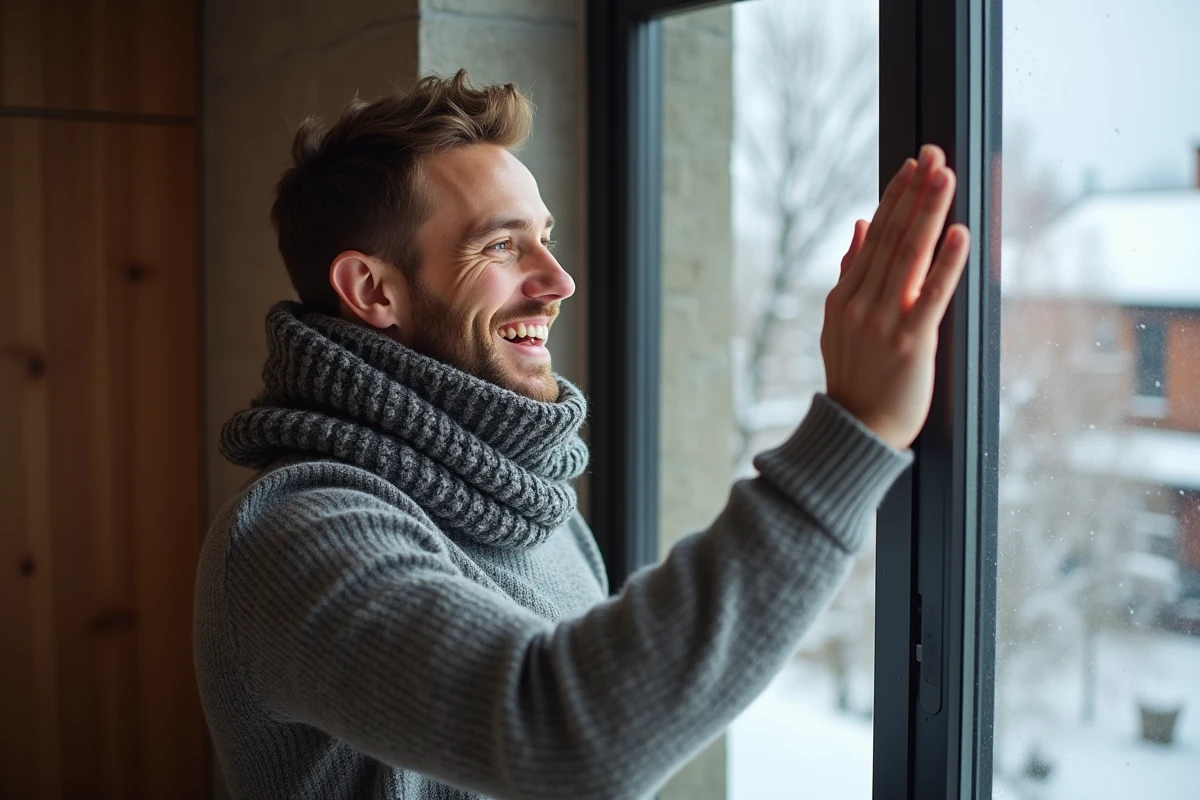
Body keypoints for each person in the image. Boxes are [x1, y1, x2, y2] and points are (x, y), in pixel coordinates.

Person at [193, 70, 969, 800]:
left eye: (545, 236)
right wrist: (853, 433)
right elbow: (561, 737)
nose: (558, 279)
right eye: (502, 245)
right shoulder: (292, 536)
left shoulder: (530, 500)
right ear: (372, 289)